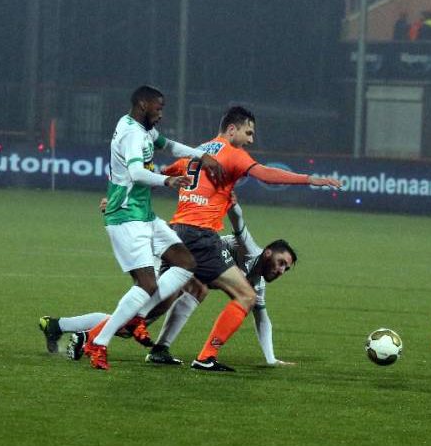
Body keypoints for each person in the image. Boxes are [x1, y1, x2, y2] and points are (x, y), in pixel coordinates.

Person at [87, 106, 341, 372]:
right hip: (201, 236)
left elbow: (159, 176)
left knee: (168, 300)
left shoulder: (196, 152)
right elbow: (265, 174)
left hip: (177, 232)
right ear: (232, 129)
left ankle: (92, 336)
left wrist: (117, 199)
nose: (251, 140)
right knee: (246, 295)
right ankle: (206, 357)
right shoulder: (233, 153)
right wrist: (310, 179)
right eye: (248, 133)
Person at [76, 85, 224, 371]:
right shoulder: (132, 134)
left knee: (185, 263)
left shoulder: (141, 129)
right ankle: (99, 342)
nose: (161, 113)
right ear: (143, 104)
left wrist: (199, 155)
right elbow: (135, 173)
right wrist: (166, 180)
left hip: (143, 214)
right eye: (158, 107)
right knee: (146, 284)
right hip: (126, 216)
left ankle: (137, 318)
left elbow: (169, 145)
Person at [144, 197, 297, 367]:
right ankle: (124, 326)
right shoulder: (248, 250)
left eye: (285, 268)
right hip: (175, 250)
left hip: (187, 263)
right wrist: (232, 203)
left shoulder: (256, 284)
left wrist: (271, 359)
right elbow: (237, 220)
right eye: (281, 262)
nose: (281, 270)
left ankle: (160, 349)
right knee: (150, 309)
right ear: (267, 253)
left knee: (196, 291)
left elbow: (262, 320)